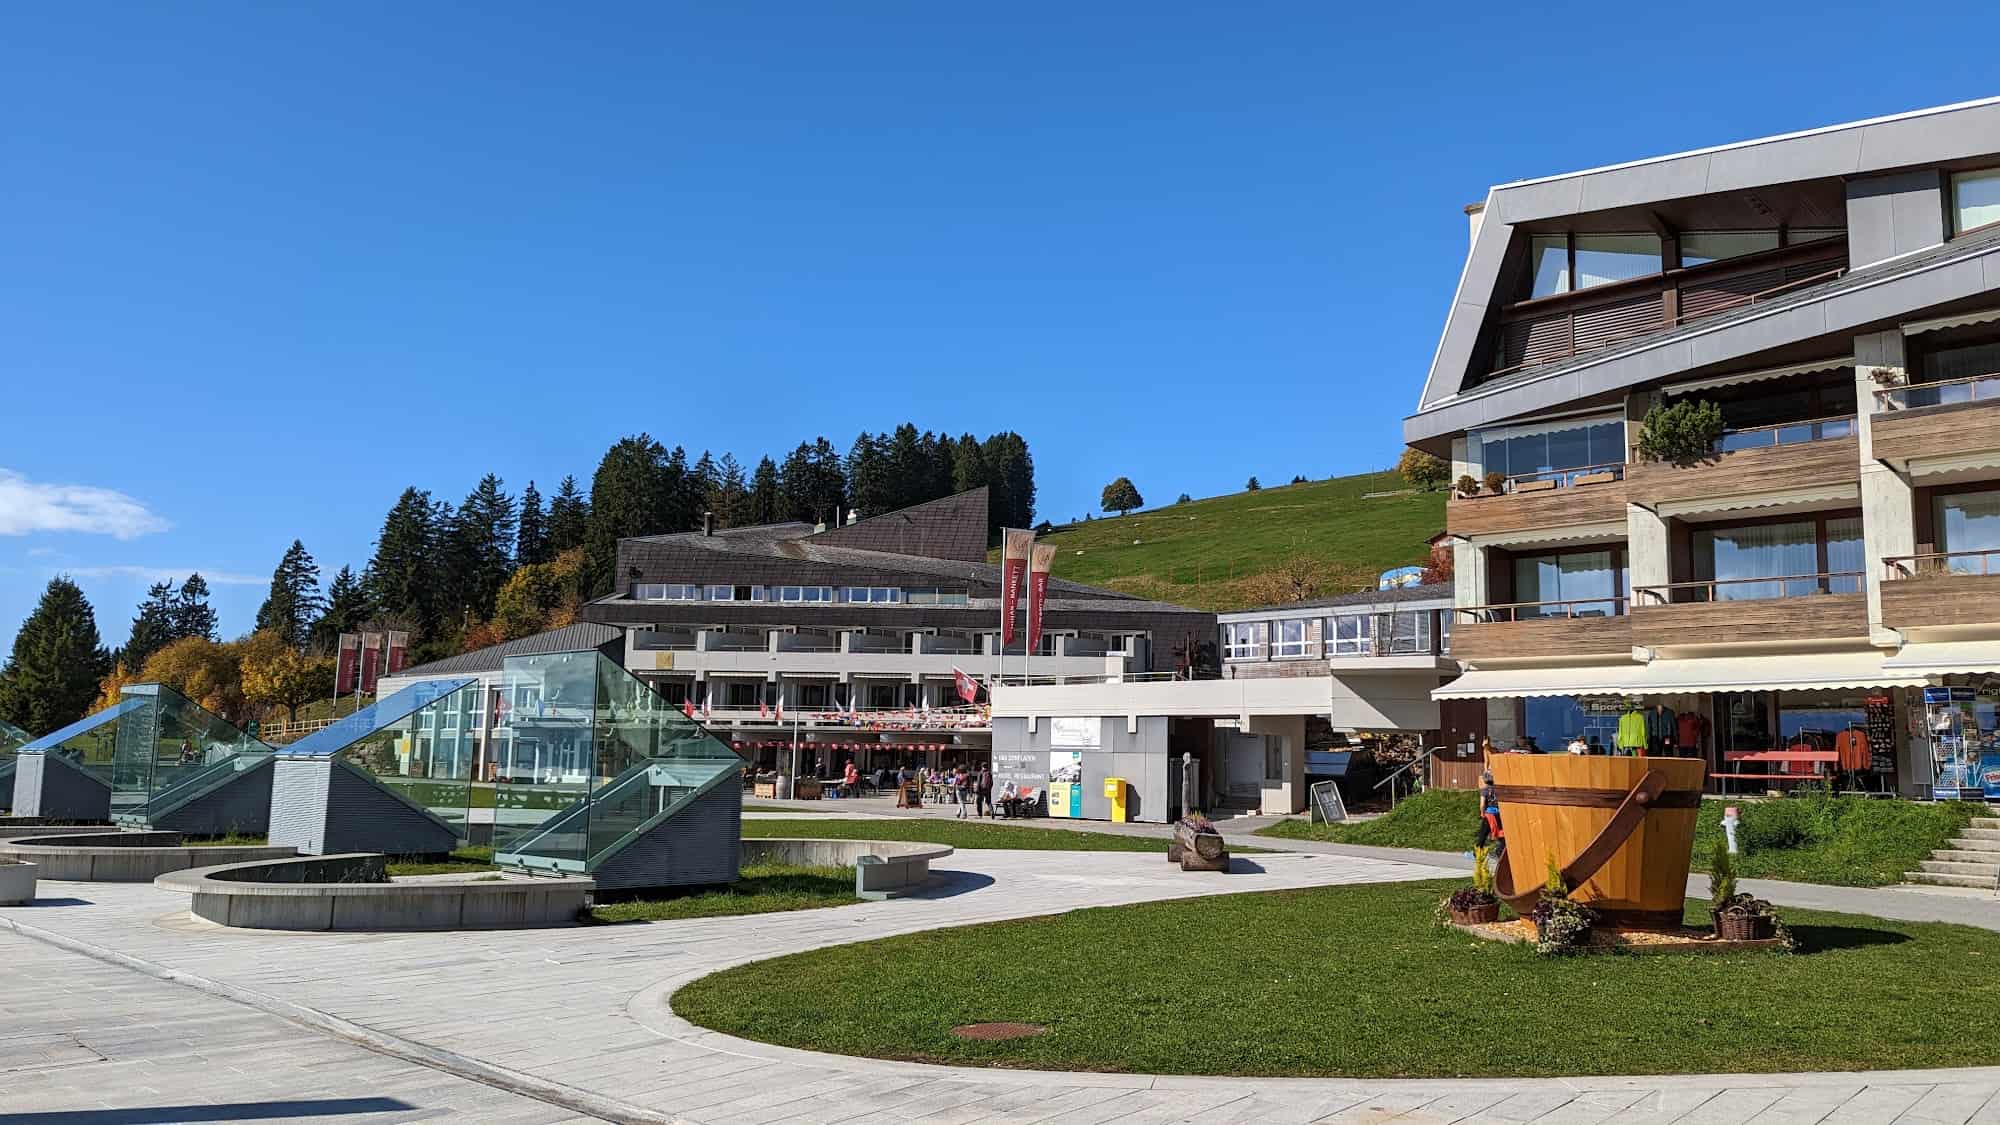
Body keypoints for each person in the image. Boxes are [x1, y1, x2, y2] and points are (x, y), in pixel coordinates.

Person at [1473, 770, 1504, 859]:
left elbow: (1482, 804)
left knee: (1482, 834)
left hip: (1489, 814)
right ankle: (1499, 851)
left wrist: (1482, 814)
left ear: (1485, 779)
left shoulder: (1484, 790)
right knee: (1501, 834)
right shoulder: (1499, 789)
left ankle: (1477, 853)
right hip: (1499, 814)